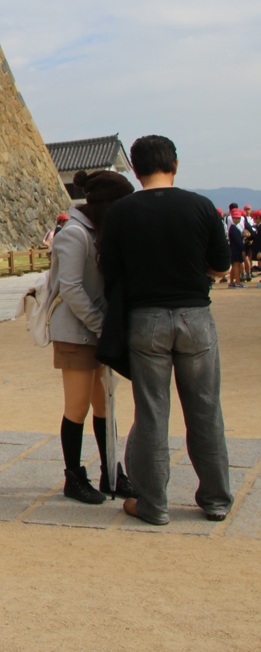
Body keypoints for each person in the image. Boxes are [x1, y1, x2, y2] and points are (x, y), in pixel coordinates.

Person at [100, 134, 232, 527]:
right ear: (174, 164)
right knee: (205, 409)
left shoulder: (122, 212)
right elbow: (222, 267)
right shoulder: (202, 207)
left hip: (147, 319)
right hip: (195, 316)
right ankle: (216, 498)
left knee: (153, 411)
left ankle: (153, 503)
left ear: (135, 170)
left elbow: (110, 269)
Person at [50, 169, 135, 504]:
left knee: (105, 405)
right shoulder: (74, 234)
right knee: (78, 406)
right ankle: (74, 476)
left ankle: (111, 472)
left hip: (97, 328)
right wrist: (102, 324)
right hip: (75, 332)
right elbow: (70, 287)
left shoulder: (98, 231)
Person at [227, 210, 245, 288]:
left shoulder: (233, 227)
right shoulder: (233, 228)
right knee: (237, 265)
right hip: (236, 250)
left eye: (239, 218)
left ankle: (231, 282)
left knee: (234, 266)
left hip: (234, 249)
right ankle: (237, 282)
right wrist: (243, 248)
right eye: (236, 218)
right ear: (233, 218)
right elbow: (238, 241)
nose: (238, 219)